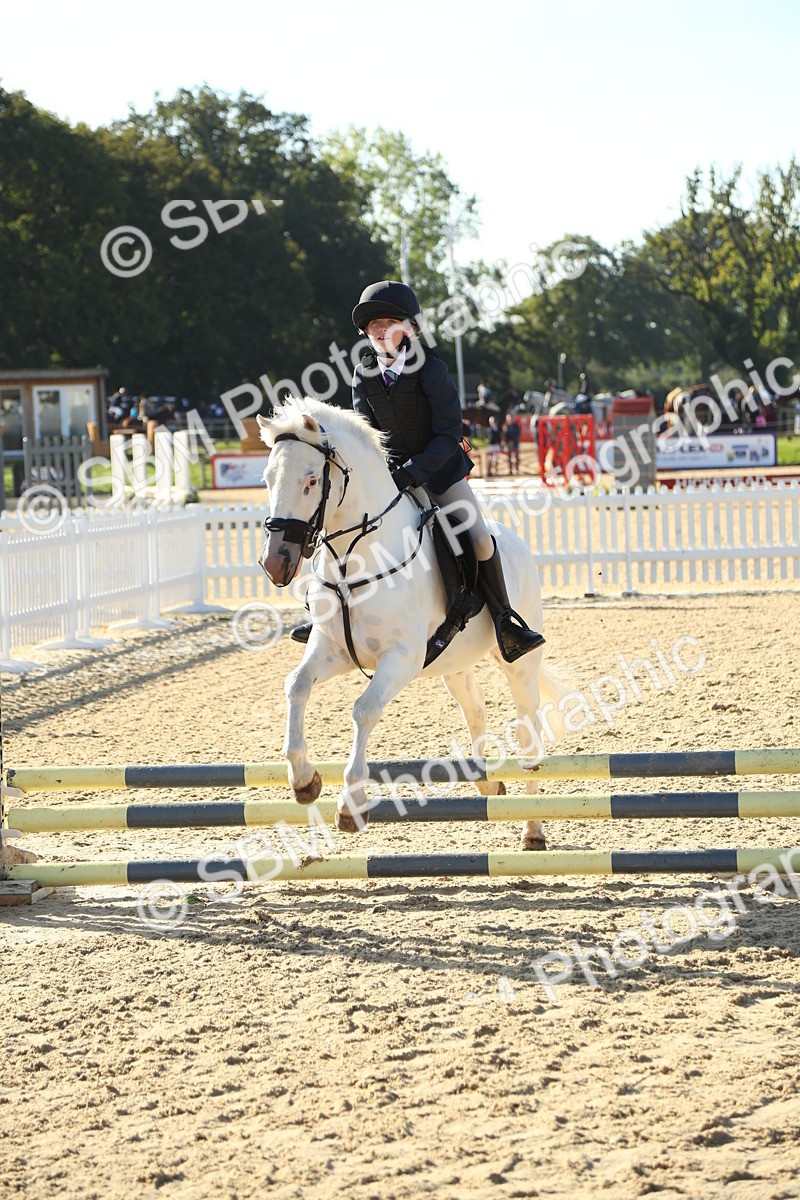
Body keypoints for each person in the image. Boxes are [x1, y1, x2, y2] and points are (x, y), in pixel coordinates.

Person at [291, 280, 544, 661]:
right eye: (372, 324)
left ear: (408, 328)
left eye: (389, 321)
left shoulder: (432, 369)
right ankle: (323, 614)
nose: (378, 329)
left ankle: (506, 621)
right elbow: (364, 435)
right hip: (388, 477)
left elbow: (449, 434)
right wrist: (383, 474)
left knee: (478, 540)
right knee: (338, 528)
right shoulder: (363, 375)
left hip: (440, 472)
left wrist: (412, 472)